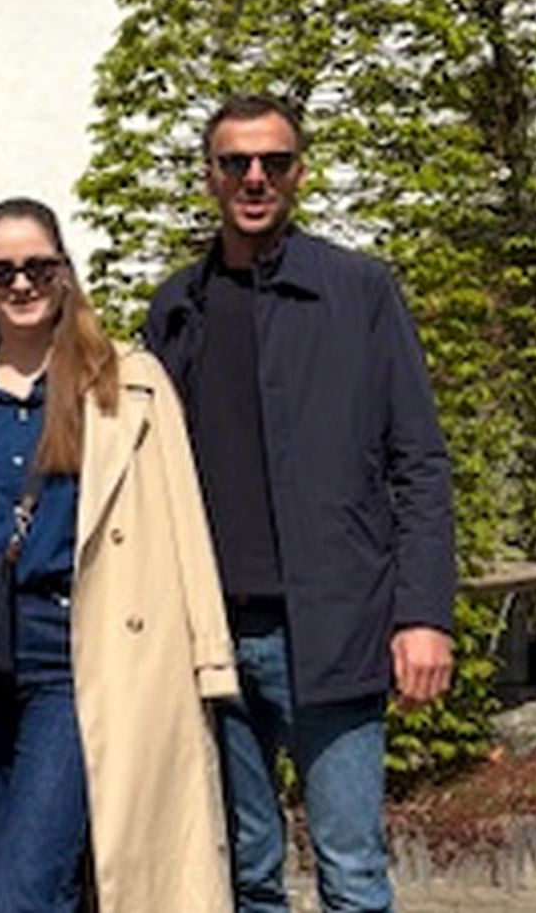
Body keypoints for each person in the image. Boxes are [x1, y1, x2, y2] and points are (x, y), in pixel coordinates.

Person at [0, 197, 240, 913]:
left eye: (37, 267)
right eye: (1, 271)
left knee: (27, 890)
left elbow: (183, 523)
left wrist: (209, 658)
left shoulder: (129, 383)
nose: (21, 284)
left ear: (64, 271)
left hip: (75, 655)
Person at [143, 94, 458, 913]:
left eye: (274, 162)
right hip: (209, 636)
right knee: (244, 873)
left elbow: (419, 462)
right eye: (236, 162)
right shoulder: (176, 307)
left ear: (299, 174)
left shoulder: (358, 291)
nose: (255, 177)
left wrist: (424, 614)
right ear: (210, 176)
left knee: (350, 872)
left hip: (332, 626)